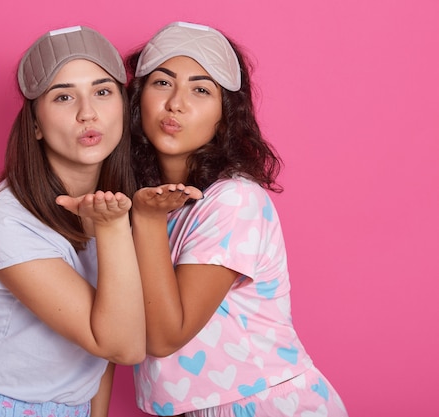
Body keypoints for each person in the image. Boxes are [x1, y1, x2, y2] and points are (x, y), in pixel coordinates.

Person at [0, 25, 146, 417]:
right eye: (63, 96)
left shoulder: (117, 204)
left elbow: (105, 347)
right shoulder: (6, 218)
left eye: (103, 92)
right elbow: (122, 344)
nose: (87, 112)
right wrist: (112, 229)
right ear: (35, 124)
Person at [126, 22, 348, 417]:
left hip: (266, 405)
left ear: (225, 116)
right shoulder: (152, 203)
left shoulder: (234, 200)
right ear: (138, 97)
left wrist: (145, 220)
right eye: (162, 83)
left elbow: (164, 336)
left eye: (201, 89)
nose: (176, 103)